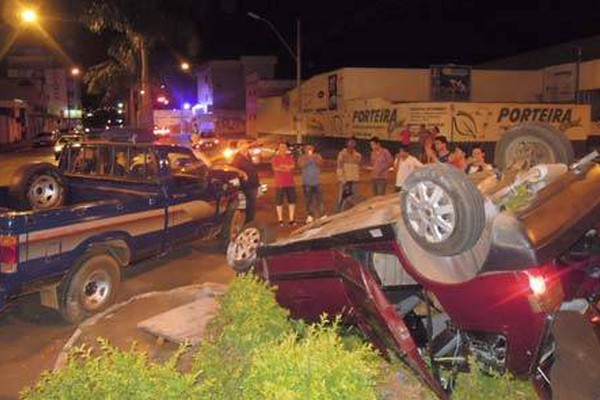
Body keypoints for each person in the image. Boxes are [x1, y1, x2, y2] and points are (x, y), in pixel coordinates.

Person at [232, 140, 260, 222]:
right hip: (246, 184)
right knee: (251, 203)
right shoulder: (237, 158)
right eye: (244, 145)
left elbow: (253, 167)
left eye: (247, 145)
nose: (247, 146)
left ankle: (250, 220)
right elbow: (235, 170)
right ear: (240, 147)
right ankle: (249, 221)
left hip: (253, 182)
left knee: (252, 203)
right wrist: (242, 174)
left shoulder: (248, 155)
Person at [298, 144, 325, 223]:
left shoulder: (317, 156)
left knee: (320, 199)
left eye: (311, 148)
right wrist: (308, 159)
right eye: (307, 148)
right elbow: (300, 165)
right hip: (307, 182)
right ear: (304, 149)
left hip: (317, 181)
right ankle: (310, 215)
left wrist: (314, 159)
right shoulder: (302, 157)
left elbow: (321, 163)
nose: (309, 149)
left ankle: (322, 214)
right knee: (308, 200)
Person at [272, 142, 297, 226]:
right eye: (281, 147)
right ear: (278, 149)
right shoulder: (275, 158)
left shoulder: (290, 157)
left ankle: (291, 219)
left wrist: (282, 167)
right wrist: (286, 168)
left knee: (292, 201)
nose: (283, 149)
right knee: (279, 202)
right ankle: (280, 220)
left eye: (284, 147)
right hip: (280, 183)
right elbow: (275, 168)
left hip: (290, 183)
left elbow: (293, 166)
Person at [336, 137, 362, 210]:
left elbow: (357, 168)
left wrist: (357, 177)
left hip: (354, 180)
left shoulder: (358, 155)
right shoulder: (342, 154)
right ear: (346, 143)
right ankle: (339, 212)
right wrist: (342, 179)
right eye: (350, 142)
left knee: (354, 198)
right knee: (342, 198)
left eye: (353, 142)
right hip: (345, 180)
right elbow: (339, 167)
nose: (352, 144)